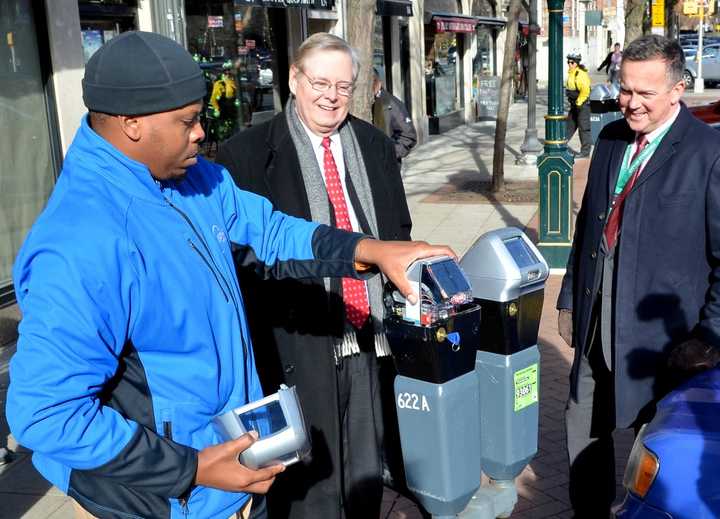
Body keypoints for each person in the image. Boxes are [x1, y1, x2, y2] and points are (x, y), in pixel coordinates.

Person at [5, 31, 454, 519]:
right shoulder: (80, 244)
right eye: (188, 121)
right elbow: (46, 415)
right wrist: (190, 467)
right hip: (156, 500)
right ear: (132, 124)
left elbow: (272, 230)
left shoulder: (194, 177)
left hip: (229, 480)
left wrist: (371, 250)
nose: (201, 132)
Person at [215, 33, 416, 519]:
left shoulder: (372, 144)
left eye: (343, 87)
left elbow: (399, 229)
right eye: (320, 83)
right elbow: (246, 256)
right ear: (293, 80)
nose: (331, 96)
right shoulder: (245, 155)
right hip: (296, 339)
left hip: (367, 333)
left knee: (366, 468)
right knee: (310, 482)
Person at [557, 34, 720, 519]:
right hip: (594, 325)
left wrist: (708, 338)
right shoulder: (609, 140)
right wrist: (568, 298)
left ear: (677, 89)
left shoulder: (708, 152)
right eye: (625, 89)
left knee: (653, 456)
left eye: (645, 93)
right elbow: (589, 226)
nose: (631, 103)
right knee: (581, 431)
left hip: (665, 344)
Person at [372, 69, 417, 161]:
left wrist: (389, 153)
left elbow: (408, 136)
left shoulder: (390, 104)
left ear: (378, 83)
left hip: (386, 165)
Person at [565, 52, 592, 158]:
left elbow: (585, 90)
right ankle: (562, 144)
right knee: (569, 126)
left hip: (582, 105)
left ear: (576, 63)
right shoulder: (571, 73)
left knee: (583, 128)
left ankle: (585, 152)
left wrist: (579, 103)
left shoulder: (580, 74)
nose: (569, 64)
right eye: (568, 62)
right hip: (574, 105)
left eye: (571, 62)